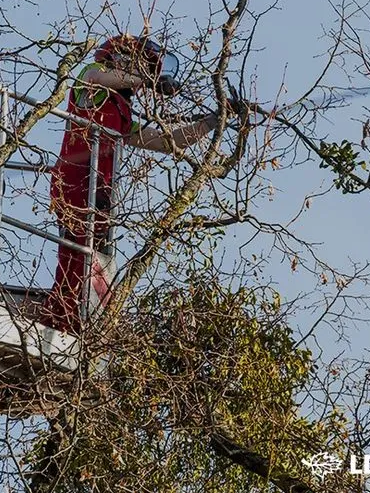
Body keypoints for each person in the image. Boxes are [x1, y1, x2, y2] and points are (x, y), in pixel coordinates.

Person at [39, 34, 232, 334]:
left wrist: (213, 120)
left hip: (99, 193)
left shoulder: (121, 112)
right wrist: (149, 80)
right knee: (75, 256)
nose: (144, 74)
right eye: (140, 64)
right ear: (119, 59)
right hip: (75, 184)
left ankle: (82, 324)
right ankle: (60, 321)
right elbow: (96, 76)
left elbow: (168, 142)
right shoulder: (90, 81)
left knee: (92, 261)